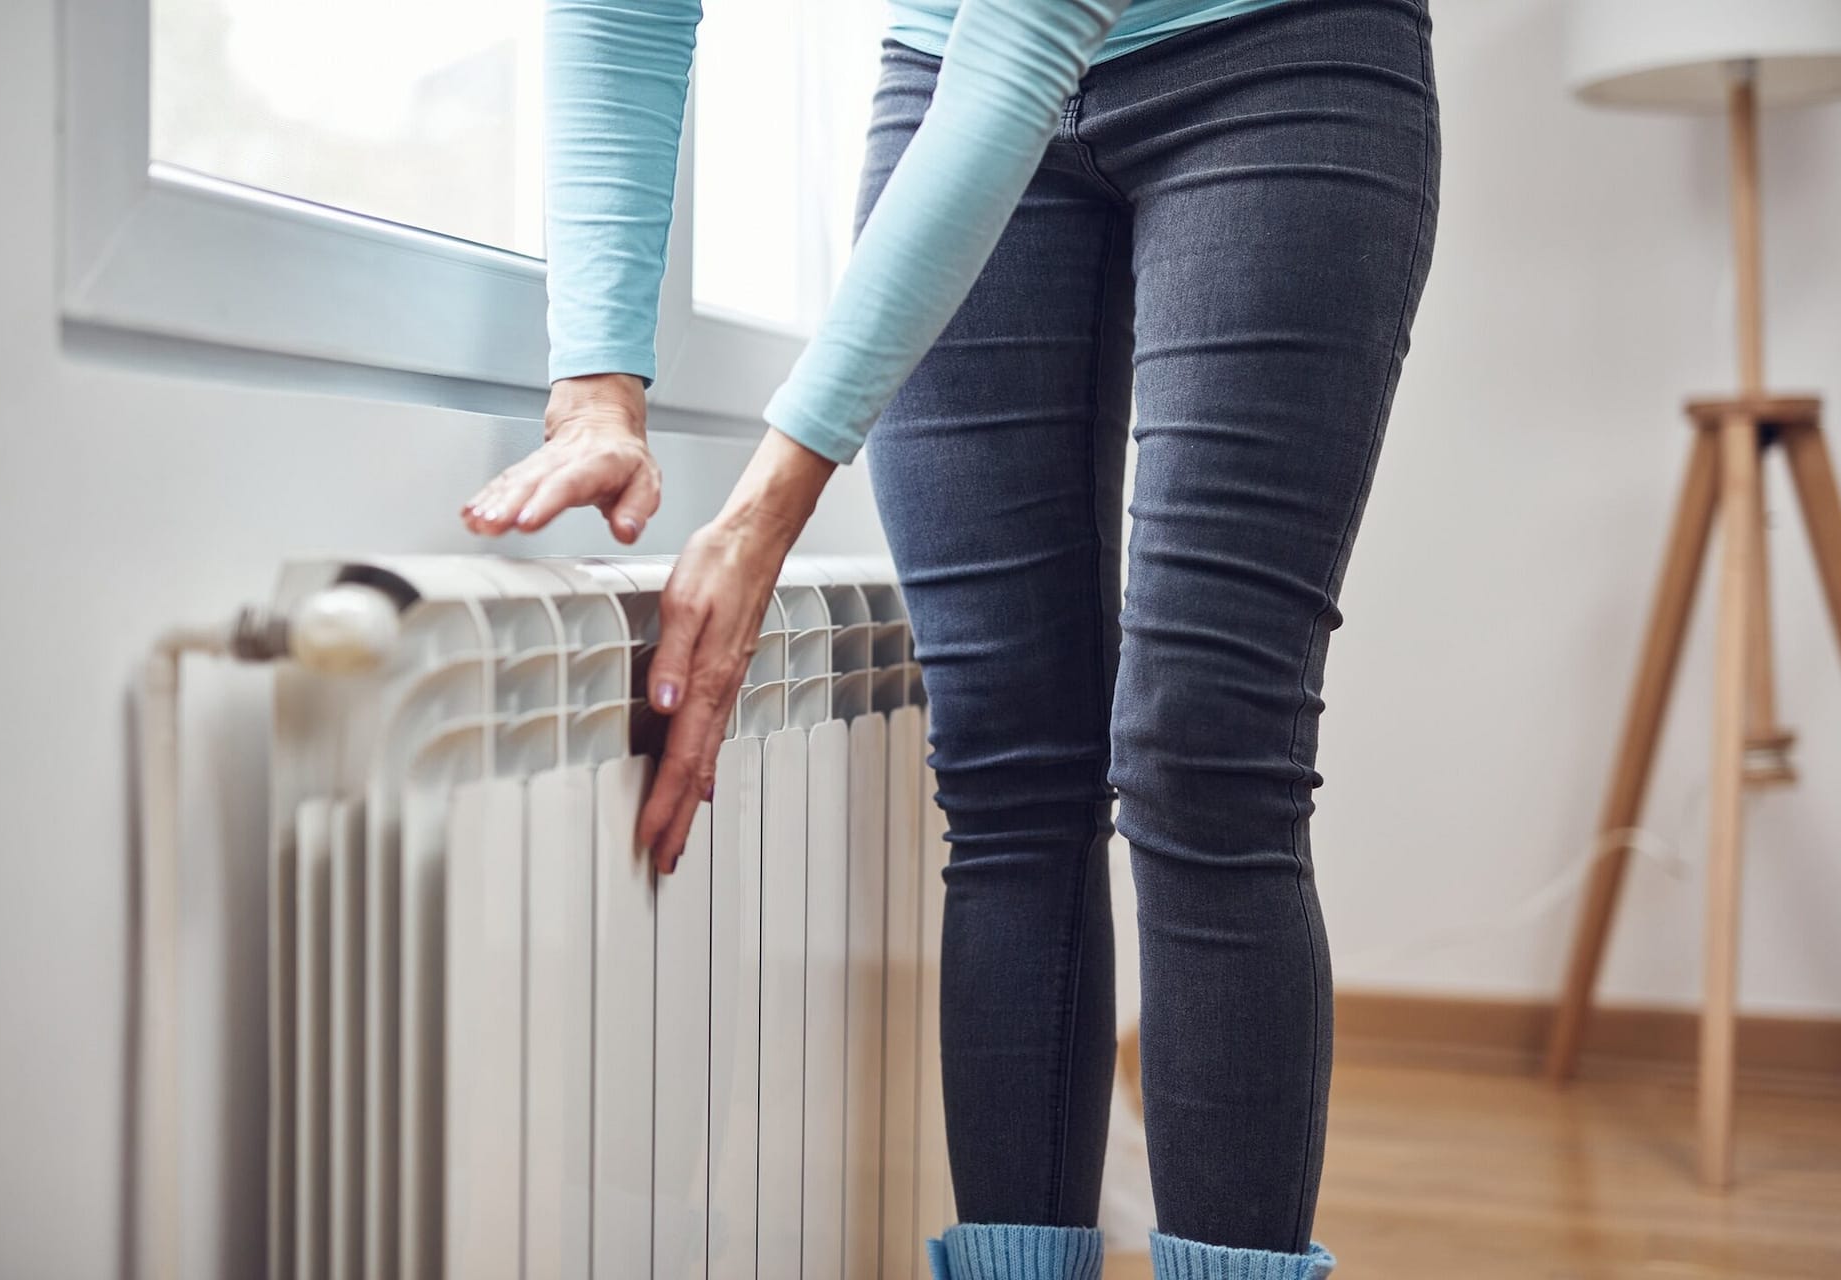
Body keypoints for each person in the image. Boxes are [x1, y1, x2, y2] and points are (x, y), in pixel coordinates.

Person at [463, 0, 1439, 1274]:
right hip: (948, 71)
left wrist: (763, 512)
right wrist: (597, 385)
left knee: (1204, 749)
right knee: (1005, 763)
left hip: (1278, 54)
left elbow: (1031, 37)